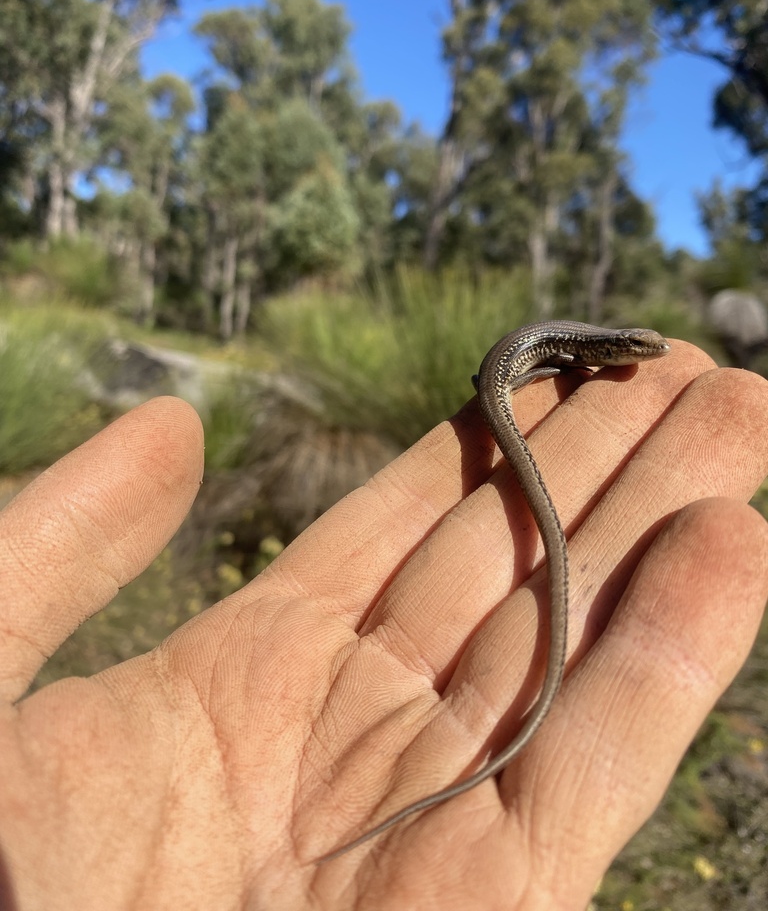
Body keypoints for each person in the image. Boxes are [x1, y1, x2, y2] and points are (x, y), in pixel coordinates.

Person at [1, 339, 767, 910]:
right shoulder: (577, 351)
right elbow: (537, 362)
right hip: (508, 380)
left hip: (507, 377)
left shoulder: (580, 349)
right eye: (632, 350)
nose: (641, 356)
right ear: (604, 353)